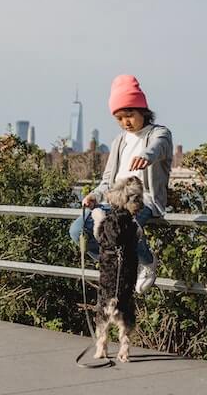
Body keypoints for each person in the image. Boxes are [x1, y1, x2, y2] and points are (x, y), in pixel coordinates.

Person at [69, 74, 173, 294]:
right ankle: (116, 264)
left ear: (142, 111)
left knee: (128, 229)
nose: (126, 122)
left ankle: (147, 262)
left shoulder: (159, 133)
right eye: (119, 118)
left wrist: (147, 155)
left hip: (143, 200)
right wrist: (95, 196)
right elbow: (108, 181)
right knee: (78, 230)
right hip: (114, 199)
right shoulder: (119, 142)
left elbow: (158, 147)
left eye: (130, 115)